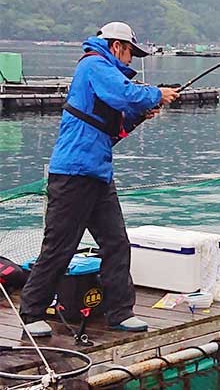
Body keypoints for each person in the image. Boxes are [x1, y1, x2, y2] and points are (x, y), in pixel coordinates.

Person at [20, 22, 179, 337]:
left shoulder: (104, 72)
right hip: (73, 175)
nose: (131, 59)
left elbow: (111, 129)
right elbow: (123, 95)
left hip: (98, 173)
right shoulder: (94, 65)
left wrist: (138, 115)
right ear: (117, 45)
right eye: (131, 52)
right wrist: (156, 94)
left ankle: (120, 312)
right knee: (60, 247)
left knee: (116, 243)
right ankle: (32, 311)